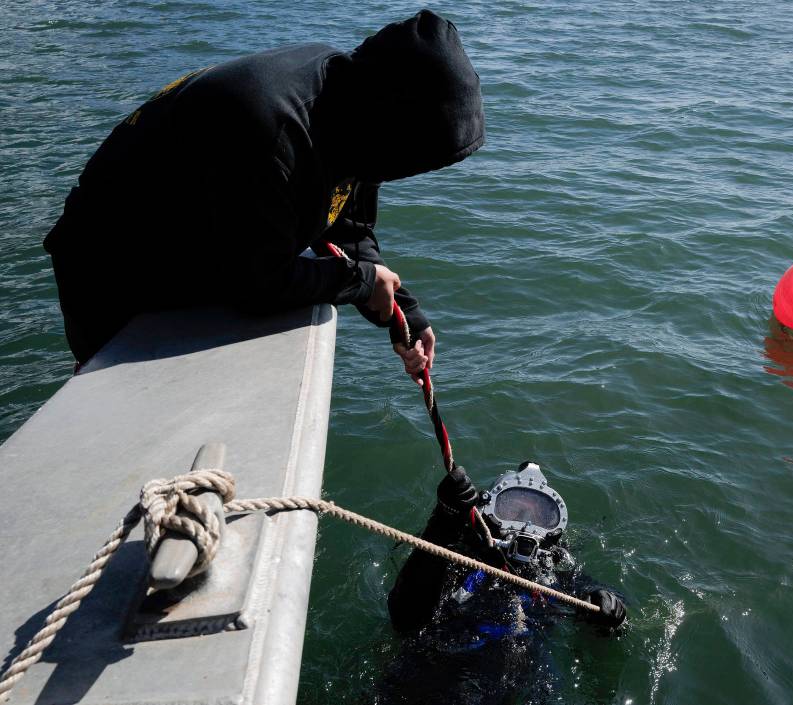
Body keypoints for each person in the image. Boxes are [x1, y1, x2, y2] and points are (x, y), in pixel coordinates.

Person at [42, 10, 484, 379]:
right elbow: (255, 283)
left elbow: (344, 222)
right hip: (117, 267)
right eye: (419, 156)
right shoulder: (266, 127)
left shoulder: (354, 105)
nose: (409, 170)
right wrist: (361, 283)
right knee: (132, 410)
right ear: (394, 118)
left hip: (209, 240)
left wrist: (403, 312)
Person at [379, 461, 626, 704]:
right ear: (488, 512)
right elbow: (404, 617)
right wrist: (444, 521)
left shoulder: (552, 576)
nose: (526, 523)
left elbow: (601, 604)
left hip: (515, 685)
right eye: (513, 510)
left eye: (540, 516)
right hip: (432, 676)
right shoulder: (461, 562)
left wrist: (606, 604)